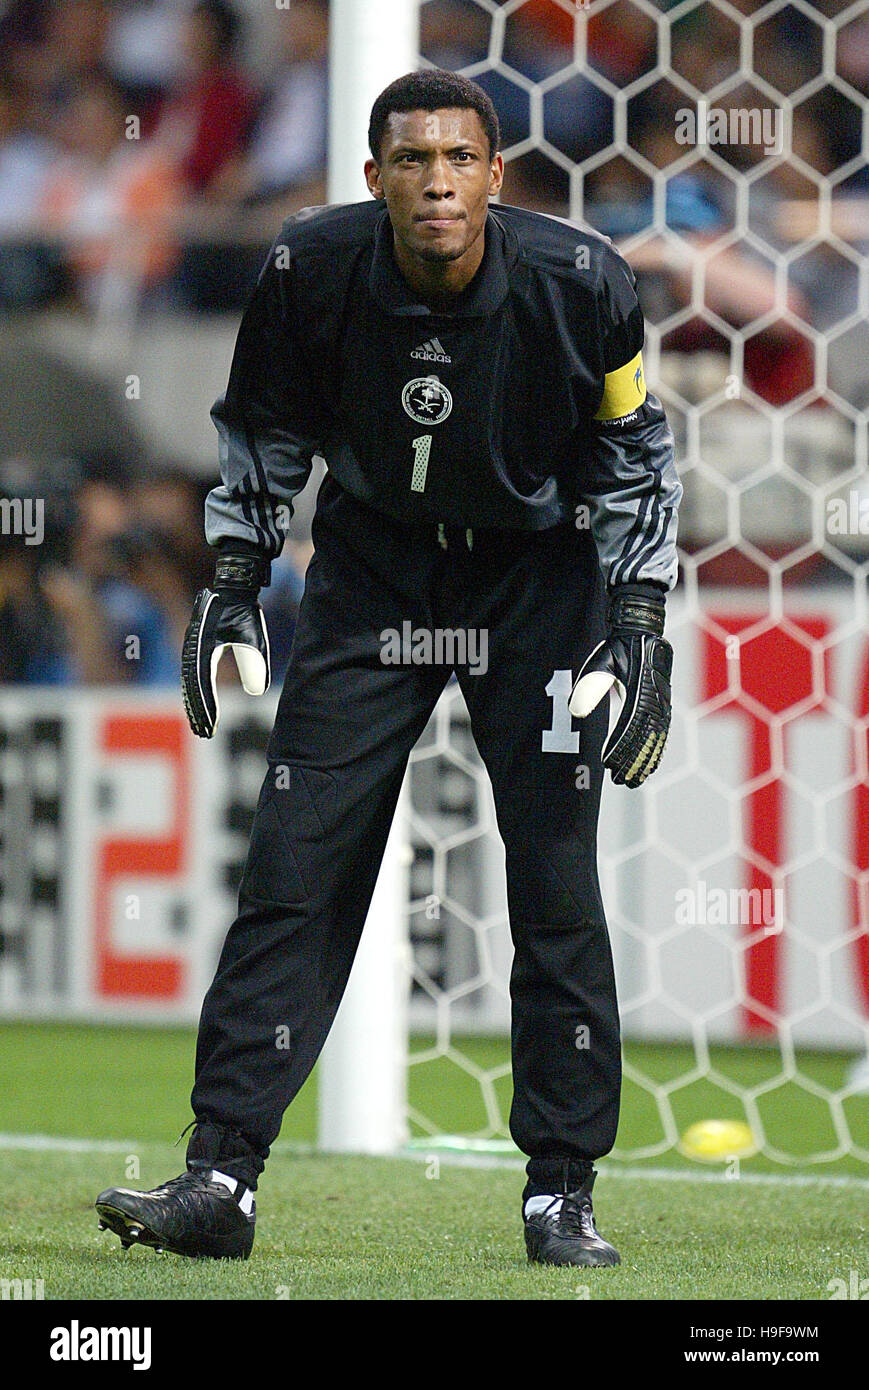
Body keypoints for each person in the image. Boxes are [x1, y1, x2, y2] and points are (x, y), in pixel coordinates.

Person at [95, 69, 681, 1269]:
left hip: (537, 582)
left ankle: (558, 1194)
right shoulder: (307, 270)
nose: (437, 183)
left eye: (459, 160)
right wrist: (233, 579)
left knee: (554, 877)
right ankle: (221, 1179)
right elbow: (262, 427)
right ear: (373, 179)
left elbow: (632, 453)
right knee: (296, 864)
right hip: (374, 577)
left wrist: (635, 617)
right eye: (412, 161)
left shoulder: (582, 285)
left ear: (495, 176)